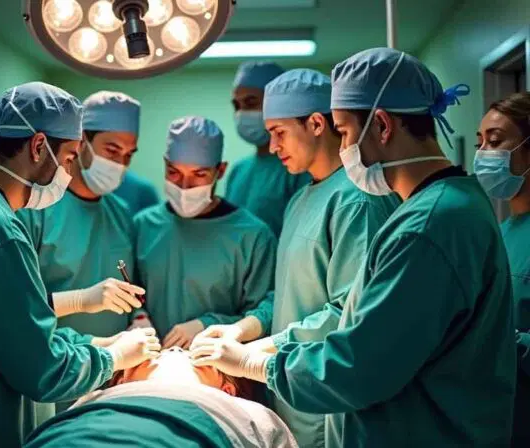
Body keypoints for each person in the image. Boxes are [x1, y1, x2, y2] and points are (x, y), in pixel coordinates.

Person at [191, 48, 517, 446]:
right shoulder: (440, 207)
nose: (343, 147)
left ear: (381, 125)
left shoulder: (429, 226)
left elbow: (358, 364)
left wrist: (253, 361)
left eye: (343, 131)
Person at [0, 82, 161, 447]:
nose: (70, 172)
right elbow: (42, 370)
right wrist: (112, 357)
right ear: (39, 146)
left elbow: (7, 328)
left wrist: (93, 341)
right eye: (72, 157)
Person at [194, 68, 400, 447]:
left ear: (317, 123)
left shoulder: (358, 201)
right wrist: (245, 329)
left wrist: (255, 353)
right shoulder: (301, 200)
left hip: (329, 398)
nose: (272, 147)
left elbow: (348, 313)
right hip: (291, 390)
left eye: (279, 133)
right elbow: (288, 294)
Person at [133, 116, 277, 349]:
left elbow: (266, 316)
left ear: (220, 171)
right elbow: (128, 290)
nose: (184, 186)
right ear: (164, 164)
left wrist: (208, 325)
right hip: (151, 366)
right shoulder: (143, 225)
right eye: (174, 172)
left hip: (219, 373)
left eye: (199, 174)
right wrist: (137, 316)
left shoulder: (252, 236)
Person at [17, 90, 146, 339]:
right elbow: (13, 306)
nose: (120, 163)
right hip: (54, 364)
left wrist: (140, 317)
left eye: (128, 155)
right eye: (112, 150)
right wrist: (80, 300)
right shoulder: (35, 208)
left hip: (115, 364)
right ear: (80, 141)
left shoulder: (121, 214)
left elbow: (133, 287)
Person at [24, 347, 297, 448]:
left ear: (227, 391)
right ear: (121, 380)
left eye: (198, 358)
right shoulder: (98, 398)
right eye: (154, 355)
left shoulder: (245, 411)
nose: (176, 349)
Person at [474, 91, 530, 447]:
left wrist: (496, 340)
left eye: (494, 142)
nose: (482, 155)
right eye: (480, 143)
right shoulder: (501, 232)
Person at [225, 61, 311, 237]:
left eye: (250, 103)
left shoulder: (297, 168)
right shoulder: (238, 171)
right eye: (236, 106)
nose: (241, 113)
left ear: (278, 104)